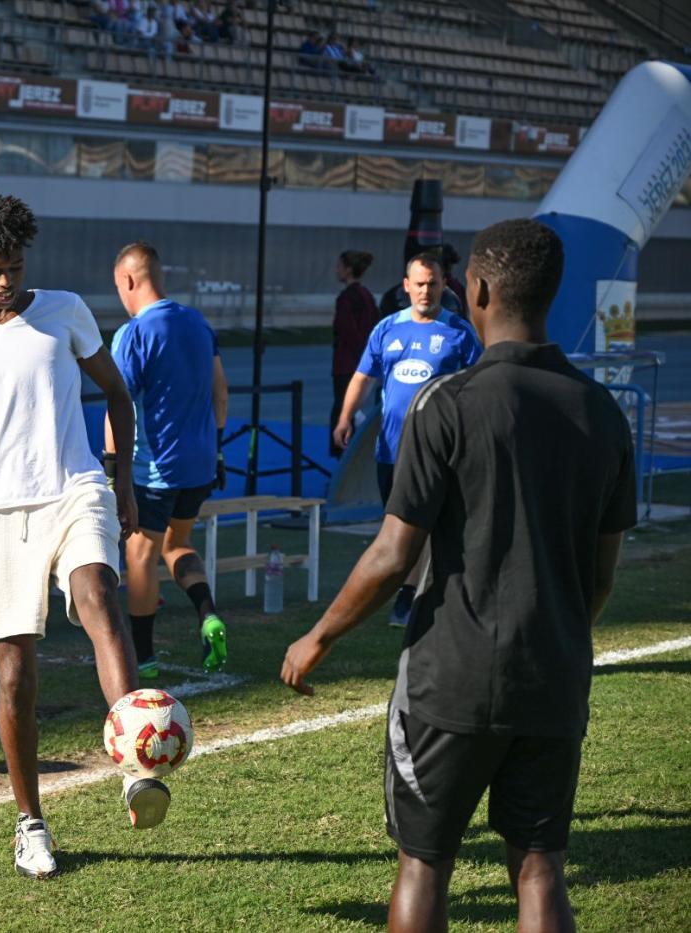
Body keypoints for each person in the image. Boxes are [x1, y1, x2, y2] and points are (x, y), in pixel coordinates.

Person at [282, 218, 635, 933]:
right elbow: (601, 575)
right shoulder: (602, 412)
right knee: (539, 868)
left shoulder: (447, 403)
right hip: (555, 675)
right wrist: (554, 635)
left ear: (473, 289)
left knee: (425, 861)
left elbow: (392, 553)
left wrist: (317, 636)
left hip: (451, 680)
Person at [0, 191, 162, 881]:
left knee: (101, 597)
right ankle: (31, 823)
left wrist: (122, 480)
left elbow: (117, 392)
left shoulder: (66, 310)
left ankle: (136, 764)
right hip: (0, 514)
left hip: (76, 488)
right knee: (16, 672)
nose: (6, 280)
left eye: (14, 265)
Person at [332, 252, 481, 627]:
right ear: (406, 286)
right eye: (419, 284)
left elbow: (479, 386)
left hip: (436, 450)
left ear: (444, 284)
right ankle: (410, 589)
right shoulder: (386, 329)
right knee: (395, 524)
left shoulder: (460, 333)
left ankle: (409, 595)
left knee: (422, 523)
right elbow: (364, 377)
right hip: (390, 448)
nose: (426, 291)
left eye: (433, 283)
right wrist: (346, 416)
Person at [105, 242, 230, 682]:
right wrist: (215, 450)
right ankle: (208, 613)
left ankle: (144, 657)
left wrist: (112, 470)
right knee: (178, 545)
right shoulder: (197, 323)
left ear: (128, 280)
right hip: (199, 465)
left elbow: (118, 404)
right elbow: (221, 393)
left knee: (141, 553)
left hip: (154, 469)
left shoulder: (134, 334)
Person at [330, 250, 380, 458]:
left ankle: (344, 459)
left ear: (348, 269)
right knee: (355, 410)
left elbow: (348, 333)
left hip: (346, 364)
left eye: (340, 266)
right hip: (362, 364)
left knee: (343, 413)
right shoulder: (367, 296)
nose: (337, 270)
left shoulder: (346, 299)